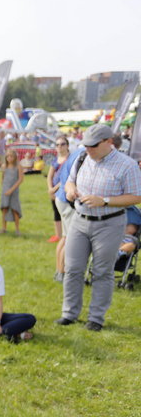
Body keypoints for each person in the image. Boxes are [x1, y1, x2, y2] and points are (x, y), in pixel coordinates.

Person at [58, 123, 141, 331]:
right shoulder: (82, 157)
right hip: (80, 219)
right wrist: (70, 191)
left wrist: (104, 200)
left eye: (93, 145)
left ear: (108, 142)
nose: (88, 149)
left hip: (110, 223)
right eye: (86, 144)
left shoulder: (127, 165)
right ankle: (69, 313)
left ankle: (96, 318)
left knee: (102, 271)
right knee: (73, 269)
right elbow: (69, 181)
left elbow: (136, 196)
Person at [48, 136, 75, 282]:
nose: (60, 146)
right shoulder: (72, 161)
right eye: (57, 144)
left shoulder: (70, 158)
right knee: (68, 238)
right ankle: (61, 271)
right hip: (65, 199)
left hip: (61, 197)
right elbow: (63, 179)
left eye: (62, 144)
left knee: (64, 237)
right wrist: (51, 189)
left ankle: (59, 270)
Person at [0, 148, 24, 235]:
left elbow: (20, 179)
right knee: (4, 208)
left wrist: (12, 189)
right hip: (5, 190)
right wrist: (4, 187)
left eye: (11, 156)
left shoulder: (18, 166)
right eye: (8, 156)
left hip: (14, 191)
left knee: (14, 209)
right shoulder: (4, 166)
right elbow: (3, 177)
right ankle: (3, 227)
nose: (9, 158)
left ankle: (17, 229)